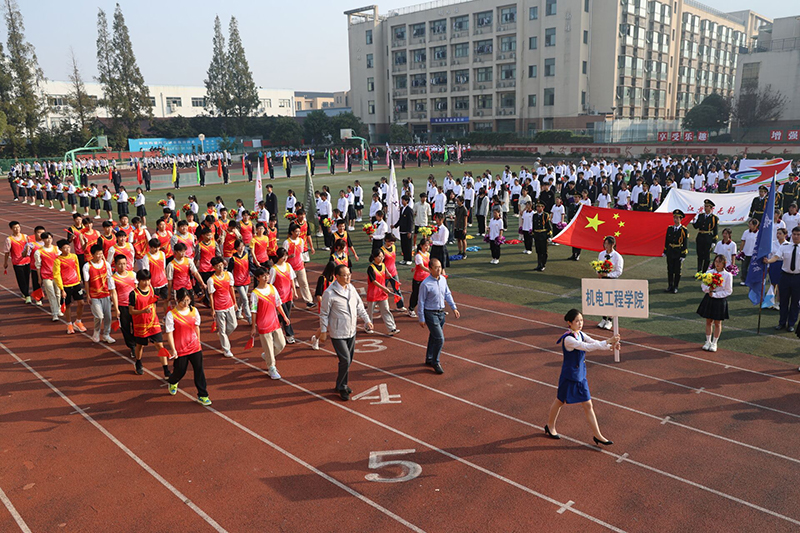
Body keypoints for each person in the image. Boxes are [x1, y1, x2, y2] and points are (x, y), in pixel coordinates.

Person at [544, 308, 620, 445]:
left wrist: (611, 346)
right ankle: (550, 426)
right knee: (560, 401)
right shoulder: (568, 339)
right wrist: (609, 340)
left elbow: (593, 343)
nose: (580, 323)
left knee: (588, 404)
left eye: (582, 320)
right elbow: (586, 347)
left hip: (580, 376)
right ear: (569, 322)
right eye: (577, 321)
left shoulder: (580, 334)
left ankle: (597, 435)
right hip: (569, 376)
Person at [319, 265, 373, 401]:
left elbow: (359, 306)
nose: (348, 277)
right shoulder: (329, 293)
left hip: (351, 331)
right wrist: (323, 331)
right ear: (337, 276)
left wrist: (367, 320)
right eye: (345, 275)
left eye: (349, 274)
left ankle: (340, 384)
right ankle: (342, 387)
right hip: (338, 332)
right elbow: (324, 313)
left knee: (347, 361)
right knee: (345, 359)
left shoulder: (351, 288)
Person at [163, 288, 212, 405]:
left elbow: (196, 327)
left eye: (188, 300)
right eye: (183, 301)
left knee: (199, 370)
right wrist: (173, 349)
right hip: (181, 349)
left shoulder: (194, 311)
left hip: (195, 347)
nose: (186, 303)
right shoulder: (171, 315)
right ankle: (173, 381)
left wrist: (198, 341)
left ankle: (203, 395)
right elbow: (169, 333)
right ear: (177, 299)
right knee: (180, 371)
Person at [417, 258, 460, 374]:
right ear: (430, 269)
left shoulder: (443, 280)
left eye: (440, 267)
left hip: (441, 313)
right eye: (436, 267)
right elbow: (421, 301)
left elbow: (447, 294)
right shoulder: (425, 284)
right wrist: (421, 318)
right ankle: (435, 362)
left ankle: (429, 357)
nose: (439, 269)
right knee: (440, 338)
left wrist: (454, 308)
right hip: (430, 313)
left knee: (434, 336)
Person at [250, 267, 290, 380]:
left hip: (275, 322)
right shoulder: (255, 294)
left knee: (281, 344)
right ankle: (271, 368)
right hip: (263, 324)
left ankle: (267, 356)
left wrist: (284, 317)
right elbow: (253, 311)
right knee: (268, 346)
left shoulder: (272, 288)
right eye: (263, 276)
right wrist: (253, 327)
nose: (266, 277)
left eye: (267, 275)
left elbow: (278, 304)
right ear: (258, 278)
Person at [129, 269, 170, 377]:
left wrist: (153, 315)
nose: (146, 282)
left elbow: (154, 304)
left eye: (148, 280)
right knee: (140, 346)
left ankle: (166, 370)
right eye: (144, 280)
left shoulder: (152, 289)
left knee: (160, 345)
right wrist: (143, 311)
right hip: (140, 324)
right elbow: (131, 311)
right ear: (138, 280)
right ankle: (138, 362)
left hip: (153, 323)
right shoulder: (133, 294)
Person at [765, 226, 800, 332]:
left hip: (798, 277)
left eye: (798, 235)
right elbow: (776, 257)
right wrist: (768, 261)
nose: (796, 236)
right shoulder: (785, 246)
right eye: (794, 234)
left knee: (795, 302)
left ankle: (791, 324)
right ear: (791, 235)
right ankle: (782, 323)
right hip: (785, 276)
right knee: (783, 301)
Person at [696, 254, 734, 351]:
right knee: (708, 321)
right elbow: (703, 285)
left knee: (717, 322)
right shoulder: (709, 272)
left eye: (720, 262)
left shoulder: (728, 275)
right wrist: (709, 290)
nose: (717, 264)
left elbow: (728, 291)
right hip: (709, 298)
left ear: (724, 264)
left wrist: (715, 295)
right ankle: (708, 341)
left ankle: (714, 343)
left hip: (720, 300)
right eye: (716, 261)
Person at [83, 244, 116, 344]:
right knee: (99, 316)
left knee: (108, 316)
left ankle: (106, 334)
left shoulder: (106, 264)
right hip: (94, 295)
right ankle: (96, 332)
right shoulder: (87, 266)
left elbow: (109, 278)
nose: (100, 256)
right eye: (98, 254)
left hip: (105, 294)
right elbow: (86, 282)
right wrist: (88, 295)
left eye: (101, 254)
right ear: (92, 255)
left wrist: (111, 292)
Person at [207, 256, 238, 358]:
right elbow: (211, 295)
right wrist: (212, 309)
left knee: (233, 325)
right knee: (222, 329)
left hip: (229, 304)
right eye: (218, 266)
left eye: (221, 265)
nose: (220, 268)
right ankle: (226, 349)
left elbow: (231, 289)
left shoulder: (228, 275)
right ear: (213, 267)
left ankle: (222, 335)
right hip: (219, 307)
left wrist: (235, 302)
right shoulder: (211, 280)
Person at [53, 239, 86, 334]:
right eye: (65, 248)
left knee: (81, 303)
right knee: (68, 305)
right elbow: (57, 275)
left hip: (76, 284)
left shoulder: (74, 256)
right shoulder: (58, 260)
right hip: (66, 286)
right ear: (60, 249)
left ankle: (78, 321)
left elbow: (77, 267)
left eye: (68, 247)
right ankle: (69, 324)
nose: (67, 249)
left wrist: (79, 279)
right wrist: (61, 289)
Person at [366, 250, 400, 335]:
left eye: (382, 256)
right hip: (373, 294)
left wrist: (389, 275)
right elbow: (373, 281)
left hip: (382, 294)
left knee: (386, 310)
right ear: (374, 257)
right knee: (370, 312)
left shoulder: (383, 265)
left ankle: (391, 328)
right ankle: (368, 327)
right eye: (379, 256)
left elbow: (386, 272)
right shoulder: (371, 268)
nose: (381, 258)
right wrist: (384, 288)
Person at [111, 254, 138, 358]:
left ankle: (136, 343)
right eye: (120, 264)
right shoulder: (113, 278)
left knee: (136, 326)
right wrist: (116, 309)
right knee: (125, 328)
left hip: (134, 306)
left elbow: (137, 289)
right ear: (115, 265)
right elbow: (114, 294)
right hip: (122, 306)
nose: (122, 266)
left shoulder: (132, 275)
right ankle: (132, 346)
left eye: (124, 264)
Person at [269, 248, 297, 343]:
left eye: (286, 256)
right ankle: (289, 335)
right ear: (278, 256)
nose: (285, 258)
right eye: (283, 256)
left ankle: (273, 326)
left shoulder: (288, 266)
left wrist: (294, 291)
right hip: (279, 297)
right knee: (286, 316)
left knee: (284, 315)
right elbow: (270, 283)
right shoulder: (274, 269)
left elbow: (292, 279)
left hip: (288, 295)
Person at [596, 236, 624, 330]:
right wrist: (599, 273)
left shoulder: (617, 257)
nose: (606, 246)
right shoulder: (601, 254)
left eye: (608, 244)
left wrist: (608, 275)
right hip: (603, 280)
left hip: (612, 280)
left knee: (611, 301)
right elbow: (598, 265)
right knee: (603, 299)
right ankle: (603, 319)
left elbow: (619, 271)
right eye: (605, 243)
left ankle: (610, 321)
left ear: (613, 244)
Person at [3, 221, 32, 303]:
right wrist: (5, 262)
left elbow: (30, 247)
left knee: (26, 278)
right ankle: (27, 295)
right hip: (17, 263)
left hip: (27, 261)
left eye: (18, 227)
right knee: (21, 279)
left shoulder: (25, 237)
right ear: (11, 229)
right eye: (15, 228)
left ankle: (25, 291)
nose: (17, 229)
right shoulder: (9, 239)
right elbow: (7, 252)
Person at [34, 232, 60, 320]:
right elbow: (38, 266)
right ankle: (54, 313)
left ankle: (59, 308)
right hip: (46, 276)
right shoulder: (39, 252)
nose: (49, 240)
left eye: (50, 238)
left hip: (57, 275)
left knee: (58, 293)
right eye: (46, 238)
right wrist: (39, 278)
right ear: (43, 240)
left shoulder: (57, 249)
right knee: (51, 294)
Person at [663, 209, 688, 293]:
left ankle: (675, 286)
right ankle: (670, 285)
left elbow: (685, 243)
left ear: (681, 219)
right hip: (670, 251)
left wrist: (683, 254)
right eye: (674, 217)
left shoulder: (684, 230)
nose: (675, 219)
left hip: (678, 252)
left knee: (677, 270)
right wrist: (665, 251)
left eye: (677, 218)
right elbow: (667, 240)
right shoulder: (670, 228)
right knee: (670, 269)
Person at [692, 199, 719, 273]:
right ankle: (699, 271)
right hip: (700, 237)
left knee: (707, 256)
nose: (705, 208)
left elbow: (715, 230)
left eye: (707, 206)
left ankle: (705, 271)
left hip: (708, 237)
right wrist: (694, 221)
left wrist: (714, 241)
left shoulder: (714, 218)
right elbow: (696, 226)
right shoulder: (701, 216)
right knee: (700, 255)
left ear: (711, 208)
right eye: (705, 206)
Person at [739, 218, 760, 286]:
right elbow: (743, 241)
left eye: (751, 224)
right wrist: (740, 250)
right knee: (744, 267)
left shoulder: (759, 233)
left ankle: (752, 280)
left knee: (753, 268)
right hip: (745, 253)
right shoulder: (746, 232)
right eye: (749, 224)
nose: (749, 225)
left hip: (754, 254)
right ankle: (744, 280)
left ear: (755, 225)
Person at [532, 201, 552, 271]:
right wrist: (533, 235)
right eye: (537, 207)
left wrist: (549, 236)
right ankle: (539, 264)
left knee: (544, 251)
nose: (538, 208)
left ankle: (543, 264)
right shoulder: (534, 215)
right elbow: (533, 225)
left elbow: (548, 226)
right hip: (537, 235)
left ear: (543, 207)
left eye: (539, 207)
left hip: (543, 235)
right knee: (538, 251)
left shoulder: (545, 215)